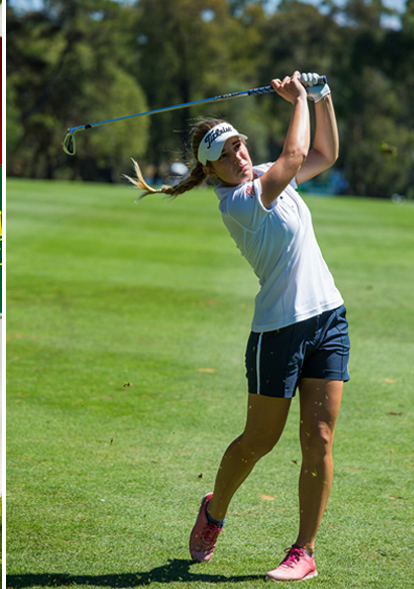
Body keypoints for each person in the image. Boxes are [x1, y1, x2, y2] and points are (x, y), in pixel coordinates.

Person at [128, 72, 348, 582]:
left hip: (329, 319)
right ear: (210, 170)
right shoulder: (241, 204)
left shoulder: (266, 173)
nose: (240, 156)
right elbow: (295, 158)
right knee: (258, 441)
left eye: (240, 146)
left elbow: (324, 154)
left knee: (318, 437)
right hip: (278, 333)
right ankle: (215, 510)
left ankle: (304, 550)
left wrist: (321, 97)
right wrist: (296, 100)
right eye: (226, 154)